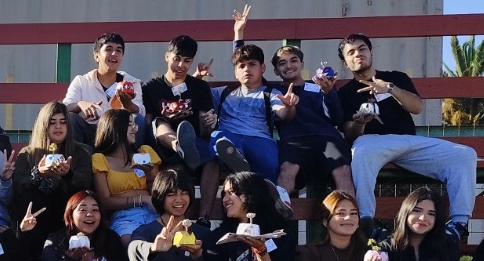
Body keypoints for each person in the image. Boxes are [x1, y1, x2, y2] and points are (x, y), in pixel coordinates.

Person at [330, 34, 476, 243]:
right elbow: (350, 134)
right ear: (345, 62)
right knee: (360, 149)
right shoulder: (344, 93)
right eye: (351, 52)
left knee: (465, 154)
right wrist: (360, 123)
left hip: (408, 142)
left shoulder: (395, 78)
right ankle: (365, 220)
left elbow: (417, 107)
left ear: (371, 52)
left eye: (362, 49)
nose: (358, 55)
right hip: (373, 142)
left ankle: (458, 225)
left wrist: (390, 88)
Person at [268, 42, 355, 201]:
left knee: (342, 170)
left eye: (293, 60)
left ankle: (351, 216)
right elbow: (284, 116)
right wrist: (289, 106)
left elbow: (336, 118)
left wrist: (329, 93)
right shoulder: (275, 92)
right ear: (275, 70)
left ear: (302, 64)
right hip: (295, 142)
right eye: (282, 63)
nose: (289, 66)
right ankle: (276, 217)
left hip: (328, 140)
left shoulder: (320, 86)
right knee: (287, 169)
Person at [9, 100, 94, 248]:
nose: (58, 127)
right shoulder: (28, 153)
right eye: (52, 122)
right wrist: (38, 174)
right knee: (30, 198)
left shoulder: (81, 151)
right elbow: (18, 185)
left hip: (66, 210)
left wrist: (68, 174)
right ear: (44, 126)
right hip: (37, 213)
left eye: (62, 122)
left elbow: (87, 182)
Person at [142, 35, 217, 193]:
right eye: (176, 59)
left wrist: (208, 122)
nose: (181, 65)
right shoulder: (151, 87)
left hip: (194, 143)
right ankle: (178, 145)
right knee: (159, 122)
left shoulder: (200, 87)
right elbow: (147, 123)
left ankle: (205, 216)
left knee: (213, 162)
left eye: (187, 61)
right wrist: (167, 116)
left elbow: (205, 132)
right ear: (167, 56)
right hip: (161, 145)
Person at [206, 44, 280, 183]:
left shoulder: (271, 94)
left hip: (259, 139)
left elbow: (283, 113)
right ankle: (235, 156)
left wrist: (288, 107)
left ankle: (269, 195)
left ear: (262, 68)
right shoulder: (222, 93)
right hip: (230, 137)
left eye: (252, 64)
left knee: (270, 167)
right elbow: (194, 94)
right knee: (219, 137)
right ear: (235, 72)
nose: (246, 69)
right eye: (241, 66)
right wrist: (197, 76)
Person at [62, 32, 144, 146]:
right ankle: (78, 160)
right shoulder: (81, 81)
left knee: (137, 119)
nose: (114, 54)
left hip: (118, 133)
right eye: (109, 49)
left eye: (119, 50)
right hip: (91, 131)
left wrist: (127, 104)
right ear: (96, 56)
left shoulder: (131, 82)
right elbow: (65, 108)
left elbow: (140, 111)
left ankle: (134, 160)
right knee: (71, 118)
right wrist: (81, 104)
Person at [90, 108, 159, 237]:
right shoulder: (100, 159)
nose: (135, 129)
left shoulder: (145, 152)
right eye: (129, 125)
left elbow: (158, 193)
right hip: (123, 216)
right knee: (132, 243)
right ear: (115, 127)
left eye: (135, 125)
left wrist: (149, 174)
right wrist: (142, 199)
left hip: (152, 212)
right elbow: (105, 201)